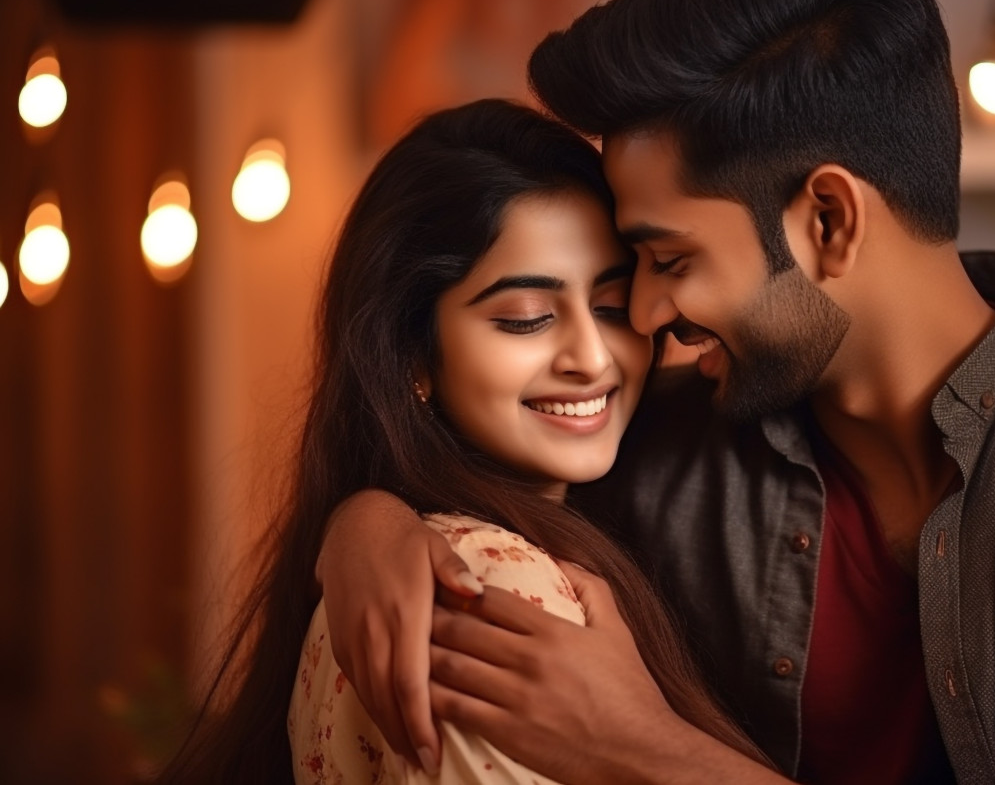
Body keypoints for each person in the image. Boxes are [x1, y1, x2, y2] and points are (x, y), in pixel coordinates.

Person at [317, 0, 995, 785]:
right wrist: (367, 524)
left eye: (670, 260)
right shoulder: (653, 440)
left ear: (828, 220)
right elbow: (459, 464)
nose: (643, 319)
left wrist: (645, 750)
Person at [157, 99, 778, 784]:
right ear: (413, 357)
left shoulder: (508, 540)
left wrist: (362, 515)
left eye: (610, 306)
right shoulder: (485, 589)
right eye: (527, 317)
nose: (593, 357)